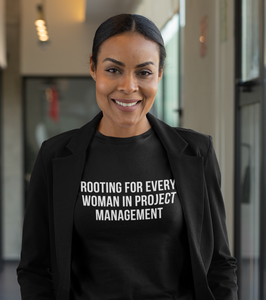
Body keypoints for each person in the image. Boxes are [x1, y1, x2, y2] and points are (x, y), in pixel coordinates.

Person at [17, 14, 238, 300]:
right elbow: (34, 269)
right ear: (94, 68)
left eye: (144, 72)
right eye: (113, 70)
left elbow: (219, 264)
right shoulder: (55, 156)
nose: (128, 86)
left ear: (159, 74)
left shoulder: (196, 152)